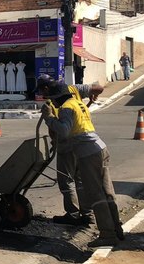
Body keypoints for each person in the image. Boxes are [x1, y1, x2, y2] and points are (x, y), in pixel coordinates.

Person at [40, 82, 124, 248]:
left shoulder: (66, 108)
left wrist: (49, 118)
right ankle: (116, 228)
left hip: (88, 153)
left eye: (53, 100)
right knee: (107, 191)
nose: (53, 103)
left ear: (57, 98)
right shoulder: (78, 103)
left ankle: (108, 234)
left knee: (95, 194)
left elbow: (64, 131)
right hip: (99, 147)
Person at [35, 74, 104, 226]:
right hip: (81, 141)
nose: (42, 95)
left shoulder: (54, 103)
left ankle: (73, 214)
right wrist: (90, 97)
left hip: (67, 142)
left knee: (66, 179)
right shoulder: (74, 90)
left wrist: (50, 122)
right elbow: (99, 88)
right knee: (80, 179)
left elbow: (59, 129)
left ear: (46, 88)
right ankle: (87, 213)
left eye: (41, 91)